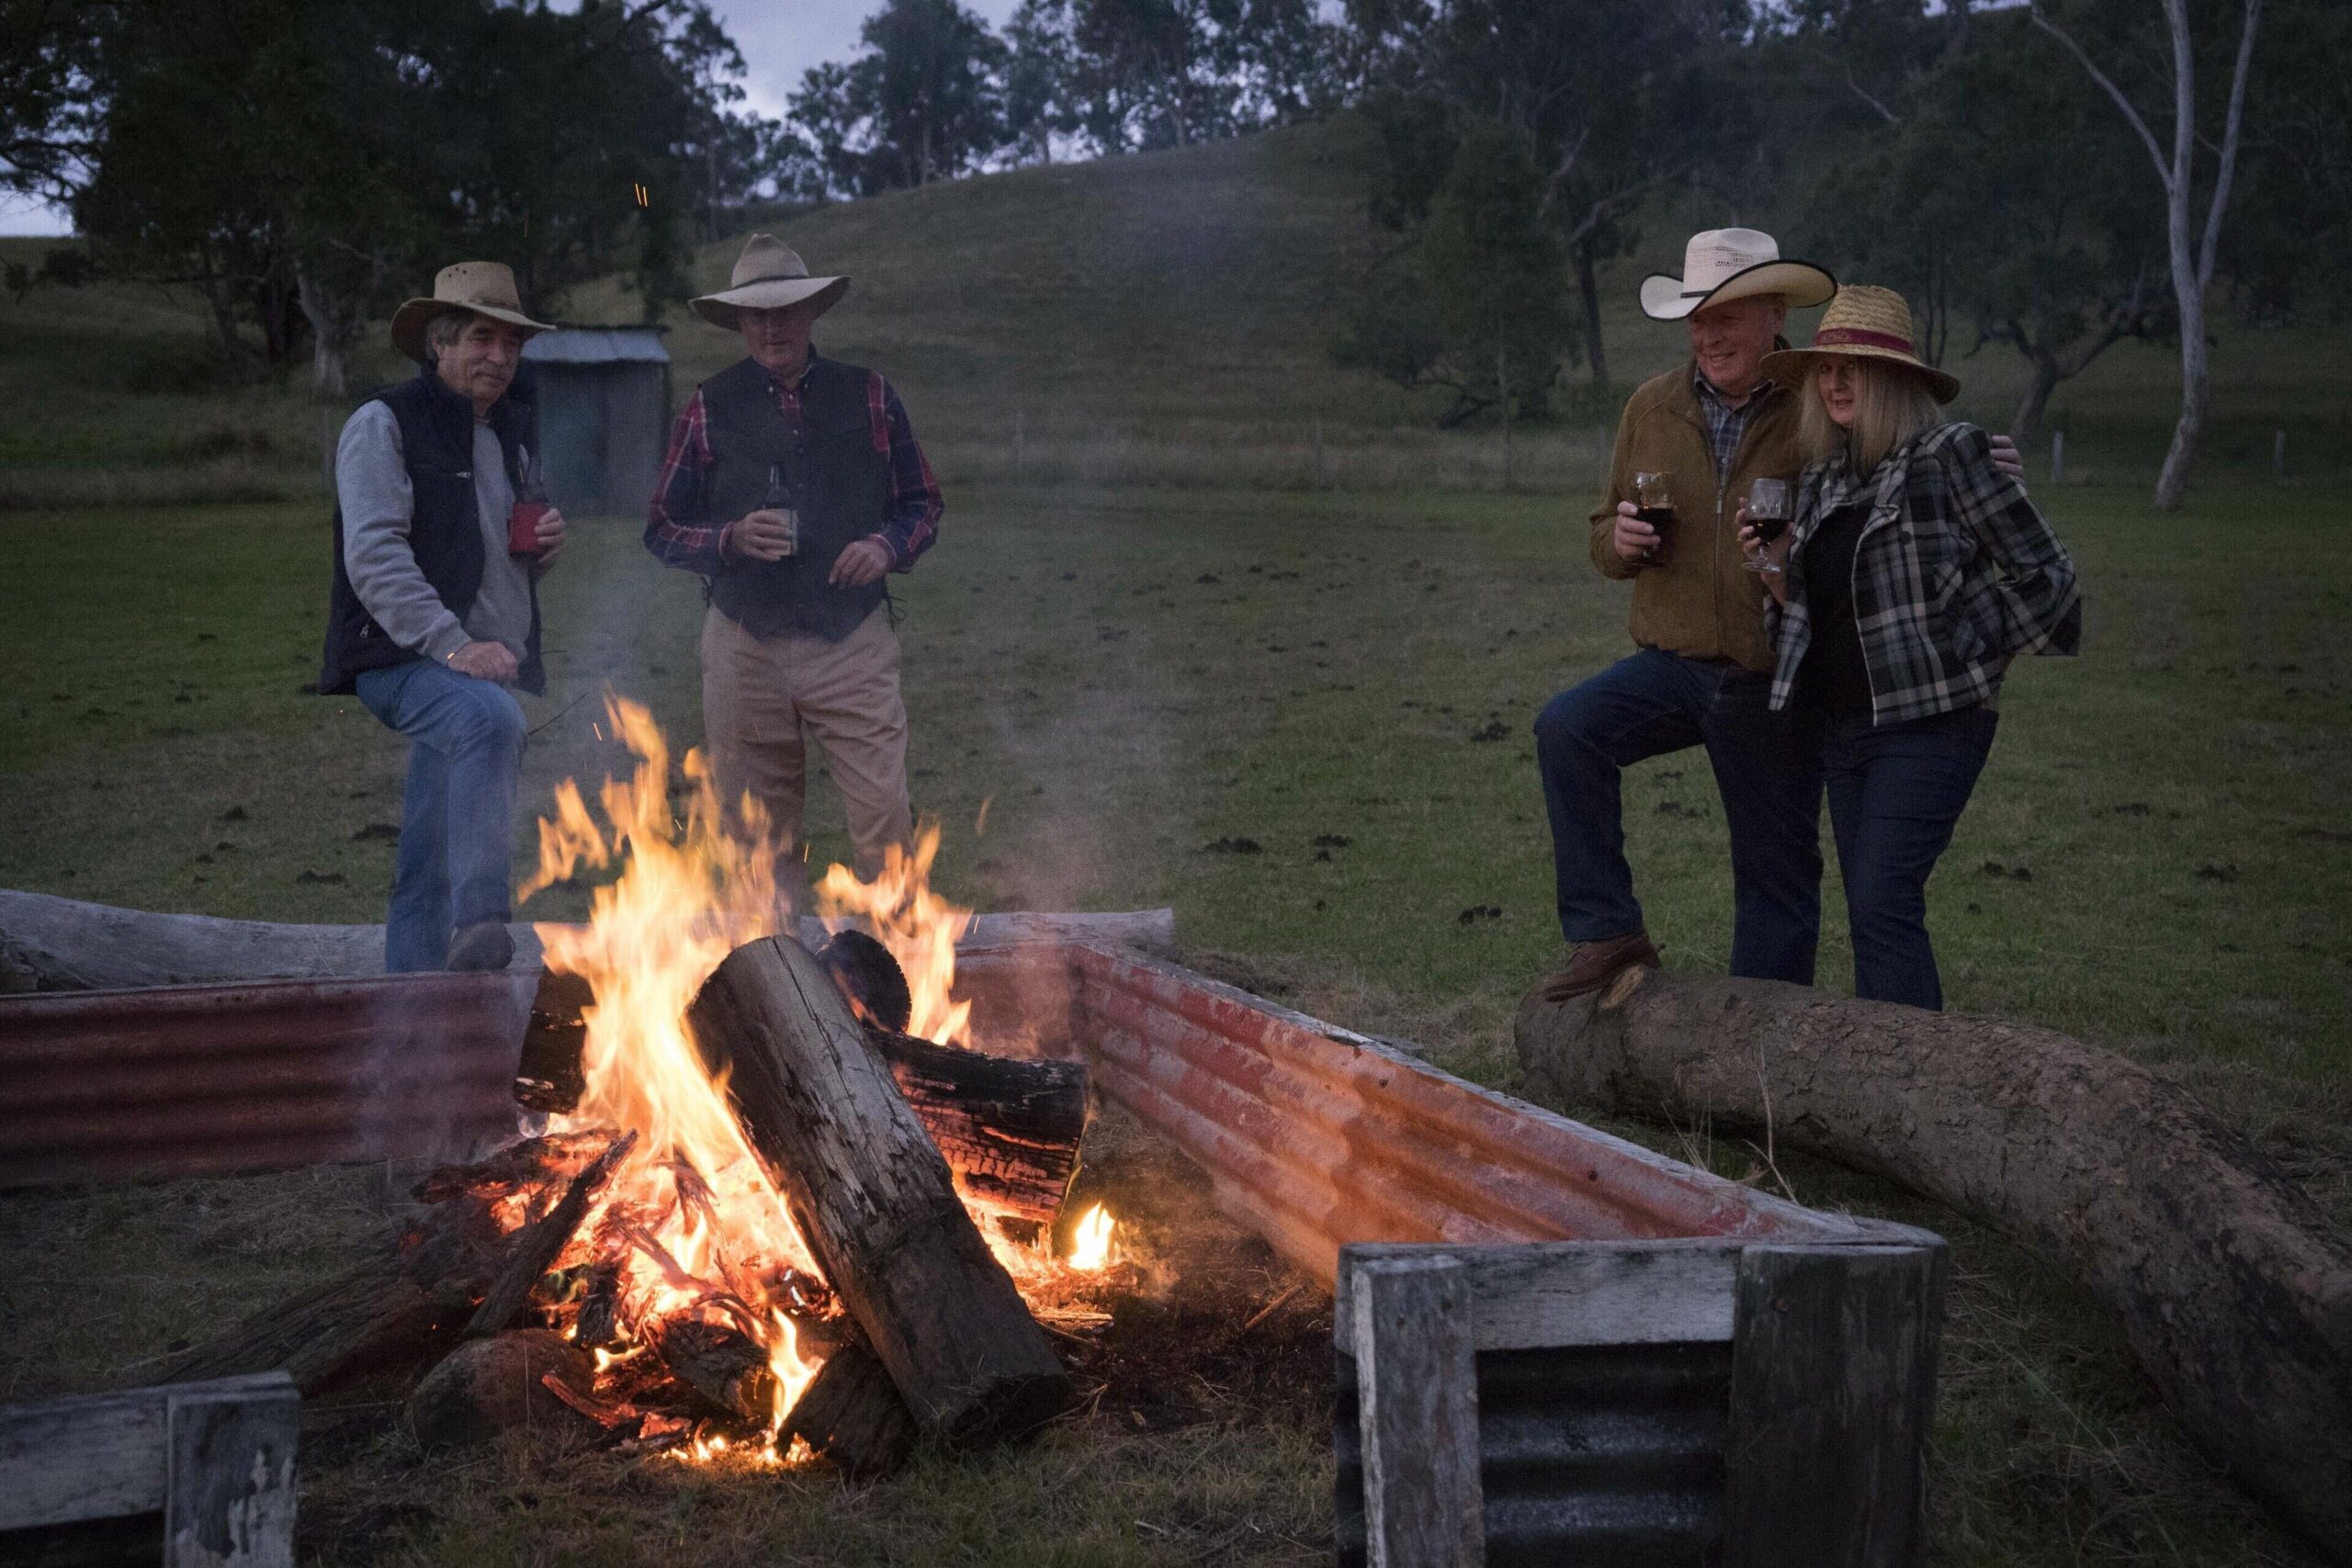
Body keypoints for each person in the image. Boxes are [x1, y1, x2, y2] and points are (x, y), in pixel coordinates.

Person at [1531, 228, 2023, 1001]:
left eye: (1728, 314)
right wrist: (1618, 541)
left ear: (1773, 318)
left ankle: (1767, 1046)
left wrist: (1971, 464)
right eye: (1698, 317)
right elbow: (1603, 529)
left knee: (1775, 877)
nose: (1709, 333)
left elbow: (1904, 455)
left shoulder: (1821, 406)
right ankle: (1608, 930)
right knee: (1566, 728)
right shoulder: (1650, 407)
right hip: (1673, 661)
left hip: (1774, 674)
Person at [1740, 285, 2080, 1010]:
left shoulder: (1949, 455)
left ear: (1892, 380)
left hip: (1930, 727)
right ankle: (1889, 1080)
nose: (1834, 383)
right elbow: (1811, 621)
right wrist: (1772, 568)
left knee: (1884, 898)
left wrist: (1977, 659)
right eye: (1826, 369)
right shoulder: (1827, 480)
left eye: (1853, 369)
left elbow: (2047, 577)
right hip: (1845, 731)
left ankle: (1919, 1088)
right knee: (1871, 912)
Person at [644, 234, 942, 915]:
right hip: (744, 643)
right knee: (756, 839)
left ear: (811, 314)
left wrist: (887, 547)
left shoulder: (869, 394)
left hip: (852, 637)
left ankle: (895, 978)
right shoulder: (706, 405)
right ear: (740, 323)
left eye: (785, 311)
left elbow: (922, 503)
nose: (772, 327)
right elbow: (661, 525)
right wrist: (730, 538)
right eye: (757, 314)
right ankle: (777, 983)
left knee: (884, 816)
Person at [318, 262, 567, 974]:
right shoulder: (384, 422)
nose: (499, 357)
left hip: (476, 661)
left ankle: (417, 1017)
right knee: (488, 722)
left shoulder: (512, 433)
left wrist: (547, 546)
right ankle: (484, 919)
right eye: (482, 339)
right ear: (440, 344)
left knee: (424, 859)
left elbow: (491, 546)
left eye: (512, 344)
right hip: (400, 657)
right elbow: (373, 555)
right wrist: (455, 647)